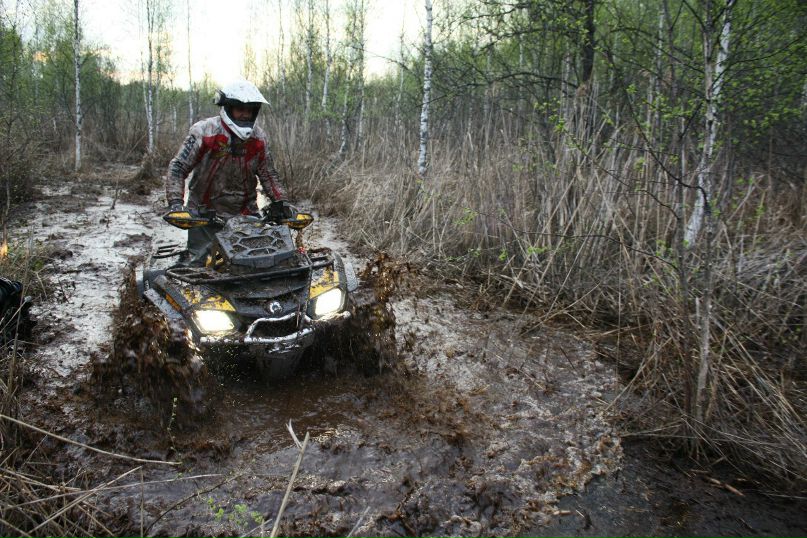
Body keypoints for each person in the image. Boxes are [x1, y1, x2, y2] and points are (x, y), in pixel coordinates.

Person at [164, 79, 294, 264]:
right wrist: (176, 203)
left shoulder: (259, 138)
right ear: (228, 107)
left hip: (246, 216)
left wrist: (283, 203)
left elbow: (268, 174)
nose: (245, 114)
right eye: (240, 109)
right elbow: (178, 167)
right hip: (204, 216)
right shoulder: (204, 131)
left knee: (257, 265)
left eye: (250, 110)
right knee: (200, 267)